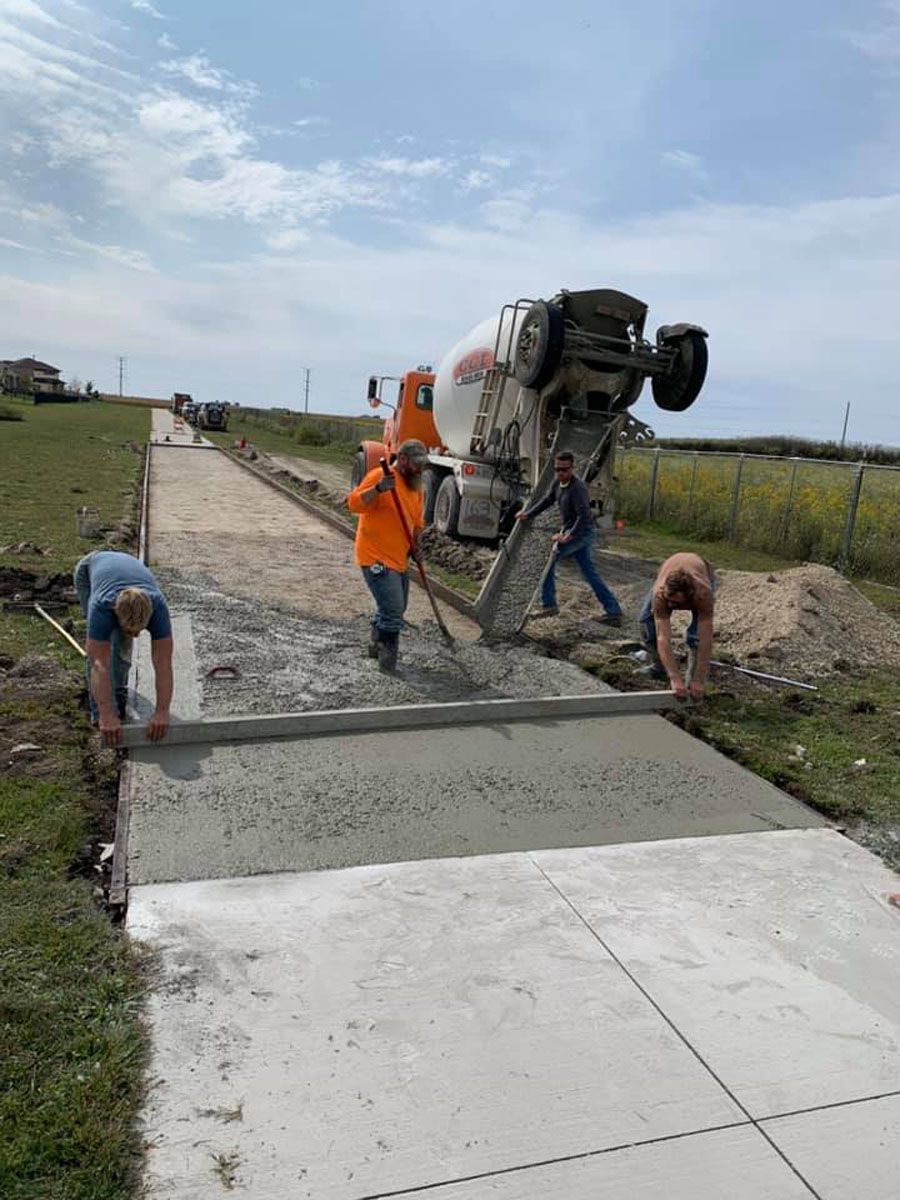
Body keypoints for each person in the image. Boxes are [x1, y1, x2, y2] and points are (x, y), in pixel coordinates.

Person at [73, 550, 174, 746]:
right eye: (131, 629)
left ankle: (118, 693)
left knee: (123, 641)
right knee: (102, 648)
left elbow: (163, 663)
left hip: (126, 568)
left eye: (140, 631)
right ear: (115, 614)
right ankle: (99, 716)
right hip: (90, 568)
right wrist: (106, 713)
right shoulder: (102, 606)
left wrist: (162, 711)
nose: (136, 635)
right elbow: (98, 664)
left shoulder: (158, 607)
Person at [515, 450, 622, 625]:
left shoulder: (577, 488)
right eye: (557, 469)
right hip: (574, 532)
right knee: (589, 573)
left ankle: (549, 604)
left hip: (581, 533)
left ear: (572, 469)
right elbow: (548, 500)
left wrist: (568, 536)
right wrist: (528, 514)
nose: (560, 473)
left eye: (564, 470)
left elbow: (584, 516)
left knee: (548, 561)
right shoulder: (558, 483)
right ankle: (613, 610)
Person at [346, 439, 427, 672]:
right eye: (416, 464)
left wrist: (417, 545)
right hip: (375, 557)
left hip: (399, 558)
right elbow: (353, 504)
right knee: (393, 610)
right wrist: (379, 489)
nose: (420, 469)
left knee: (396, 608)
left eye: (422, 464)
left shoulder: (415, 487)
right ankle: (387, 662)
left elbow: (418, 522)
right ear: (402, 460)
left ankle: (375, 642)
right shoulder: (378, 477)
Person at [639, 552, 716, 701]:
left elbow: (706, 638)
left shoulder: (703, 594)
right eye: (669, 600)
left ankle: (692, 684)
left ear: (689, 597)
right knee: (646, 624)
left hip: (702, 572)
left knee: (695, 637)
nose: (670, 606)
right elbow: (663, 637)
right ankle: (659, 667)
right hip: (668, 572)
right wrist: (674, 677)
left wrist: (699, 679)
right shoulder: (661, 594)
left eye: (675, 603)